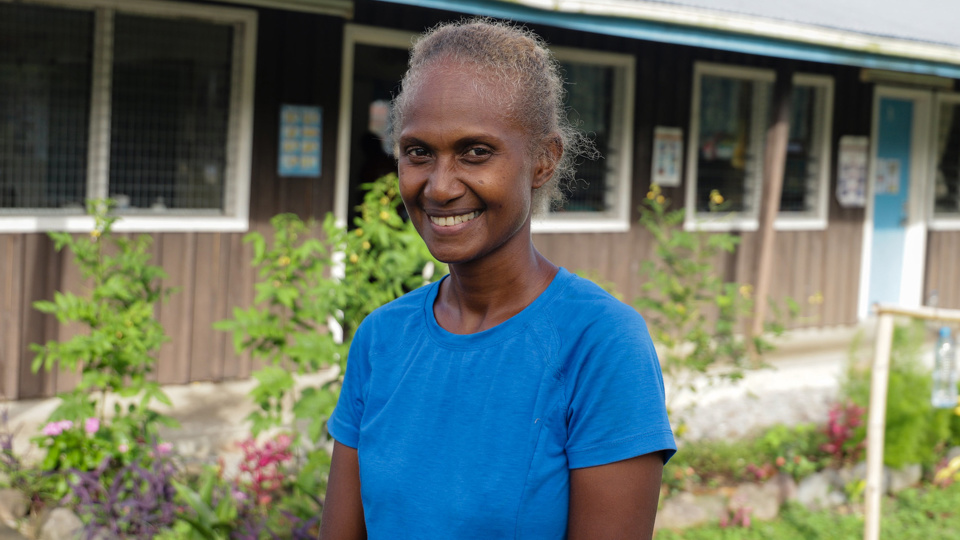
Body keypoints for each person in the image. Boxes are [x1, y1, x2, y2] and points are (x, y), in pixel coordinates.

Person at [320, 18, 676, 540]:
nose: (439, 187)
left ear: (543, 160)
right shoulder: (381, 338)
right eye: (418, 152)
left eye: (475, 152)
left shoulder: (599, 343)